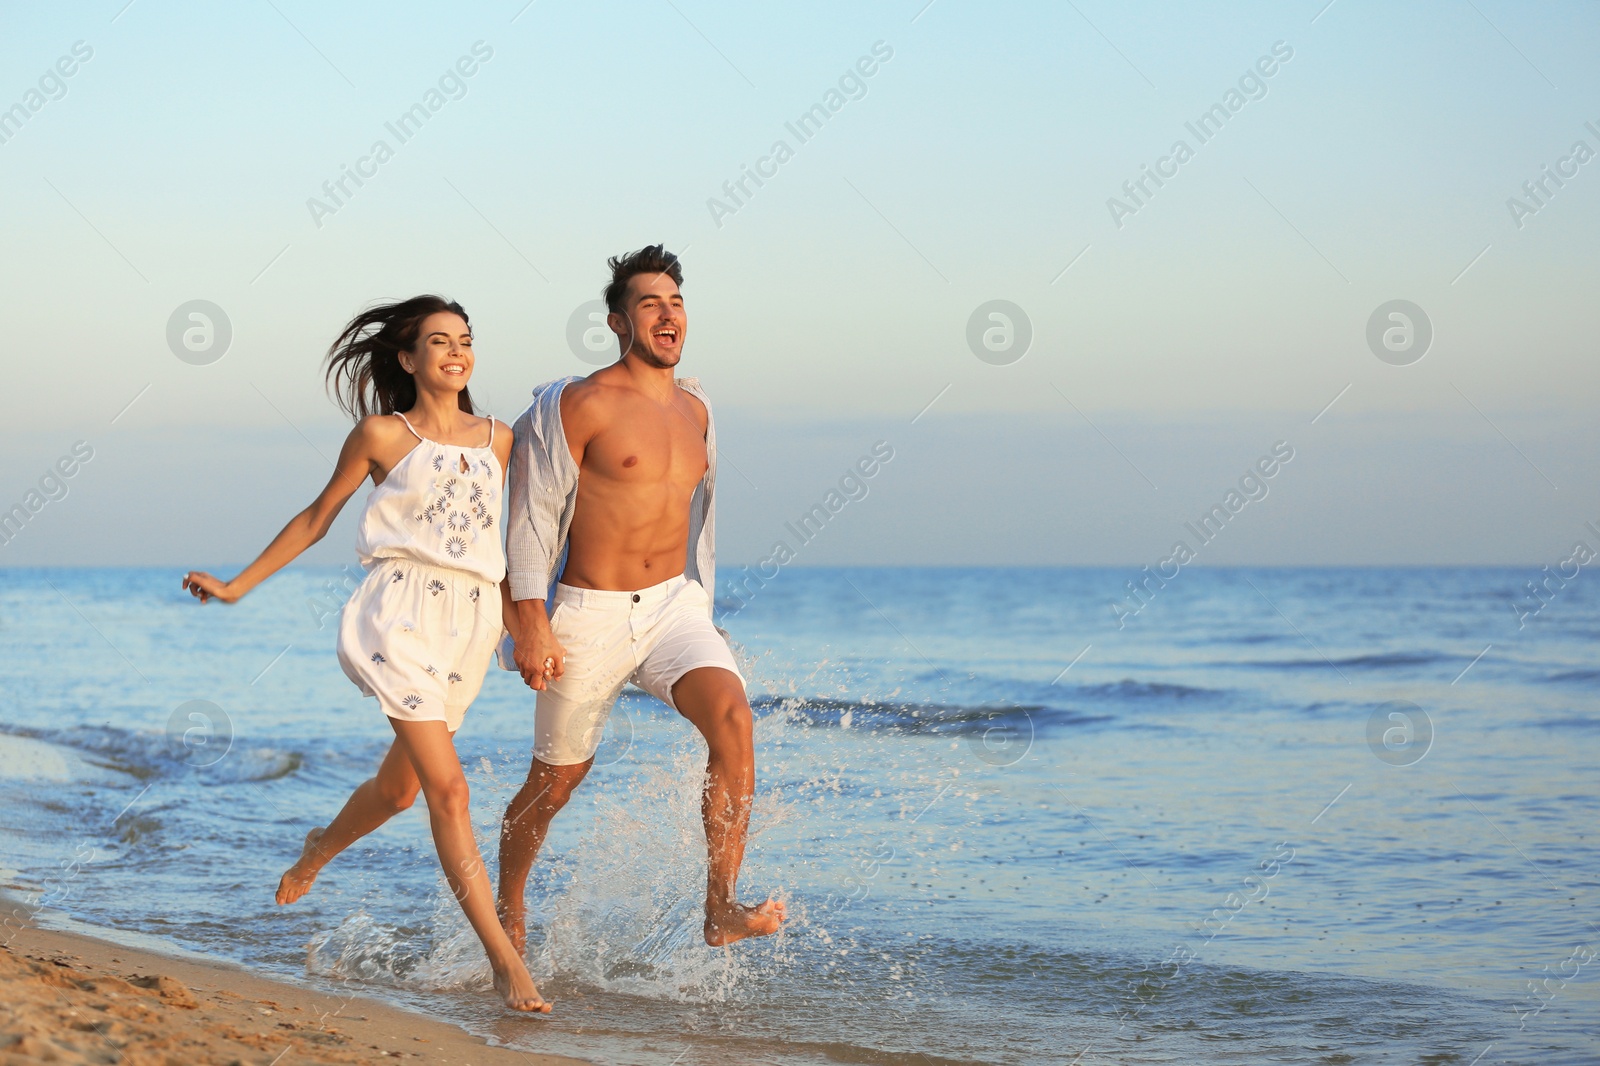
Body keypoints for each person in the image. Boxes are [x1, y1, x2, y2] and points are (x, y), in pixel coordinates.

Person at [181, 296, 550, 1013]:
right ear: (407, 359)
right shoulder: (382, 433)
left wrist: (528, 632)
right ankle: (505, 960)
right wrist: (236, 587)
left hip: (469, 625)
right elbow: (317, 519)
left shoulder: (501, 439)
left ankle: (319, 846)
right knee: (451, 791)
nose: (455, 352)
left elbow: (502, 554)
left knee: (402, 790)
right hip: (399, 616)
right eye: (438, 342)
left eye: (465, 341)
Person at [495, 245, 785, 952]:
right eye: (650, 303)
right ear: (618, 323)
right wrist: (529, 624)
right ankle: (506, 906)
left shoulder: (698, 409)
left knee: (734, 722)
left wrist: (699, 607)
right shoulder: (576, 403)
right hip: (586, 614)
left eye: (676, 301)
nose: (668, 314)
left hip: (671, 608)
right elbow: (529, 518)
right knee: (557, 781)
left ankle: (719, 907)